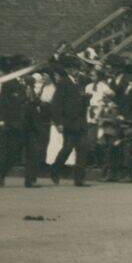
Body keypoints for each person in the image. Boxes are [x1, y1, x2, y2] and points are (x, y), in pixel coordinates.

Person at [49, 58, 92, 186]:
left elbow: (80, 102)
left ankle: (79, 179)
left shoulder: (79, 83)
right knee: (68, 147)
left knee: (82, 148)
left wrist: (86, 99)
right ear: (68, 70)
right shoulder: (64, 82)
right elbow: (56, 104)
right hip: (69, 121)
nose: (75, 71)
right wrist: (58, 122)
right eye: (73, 69)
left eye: (77, 69)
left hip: (81, 121)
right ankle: (55, 168)